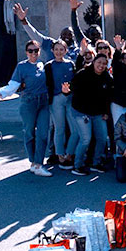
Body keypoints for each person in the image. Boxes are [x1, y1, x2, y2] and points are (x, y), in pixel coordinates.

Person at [0, 40, 52, 177]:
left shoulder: (42, 65)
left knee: (43, 133)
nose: (33, 53)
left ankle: (39, 163)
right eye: (30, 51)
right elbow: (13, 84)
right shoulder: (21, 66)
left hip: (44, 102)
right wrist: (1, 92)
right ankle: (33, 162)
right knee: (29, 132)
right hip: (29, 102)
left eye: (36, 51)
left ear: (39, 51)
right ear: (26, 52)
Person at [67, 52, 113, 175]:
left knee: (102, 138)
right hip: (81, 112)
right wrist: (66, 91)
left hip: (98, 113)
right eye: (99, 62)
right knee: (85, 139)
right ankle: (78, 165)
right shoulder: (82, 74)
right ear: (93, 62)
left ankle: (96, 163)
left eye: (104, 63)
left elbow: (107, 97)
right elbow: (71, 89)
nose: (101, 66)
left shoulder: (106, 77)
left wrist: (106, 112)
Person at [44, 40, 76, 170]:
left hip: (69, 98)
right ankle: (60, 155)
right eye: (56, 49)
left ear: (66, 50)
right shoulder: (49, 66)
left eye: (61, 49)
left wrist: (69, 90)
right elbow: (46, 84)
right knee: (60, 128)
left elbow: (75, 81)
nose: (58, 52)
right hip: (56, 99)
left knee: (74, 129)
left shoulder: (70, 64)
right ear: (52, 50)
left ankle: (69, 153)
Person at [12, 3, 77, 63]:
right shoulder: (50, 43)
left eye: (70, 34)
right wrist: (23, 20)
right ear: (60, 35)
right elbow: (34, 34)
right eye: (64, 34)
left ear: (74, 36)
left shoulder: (77, 50)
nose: (67, 37)